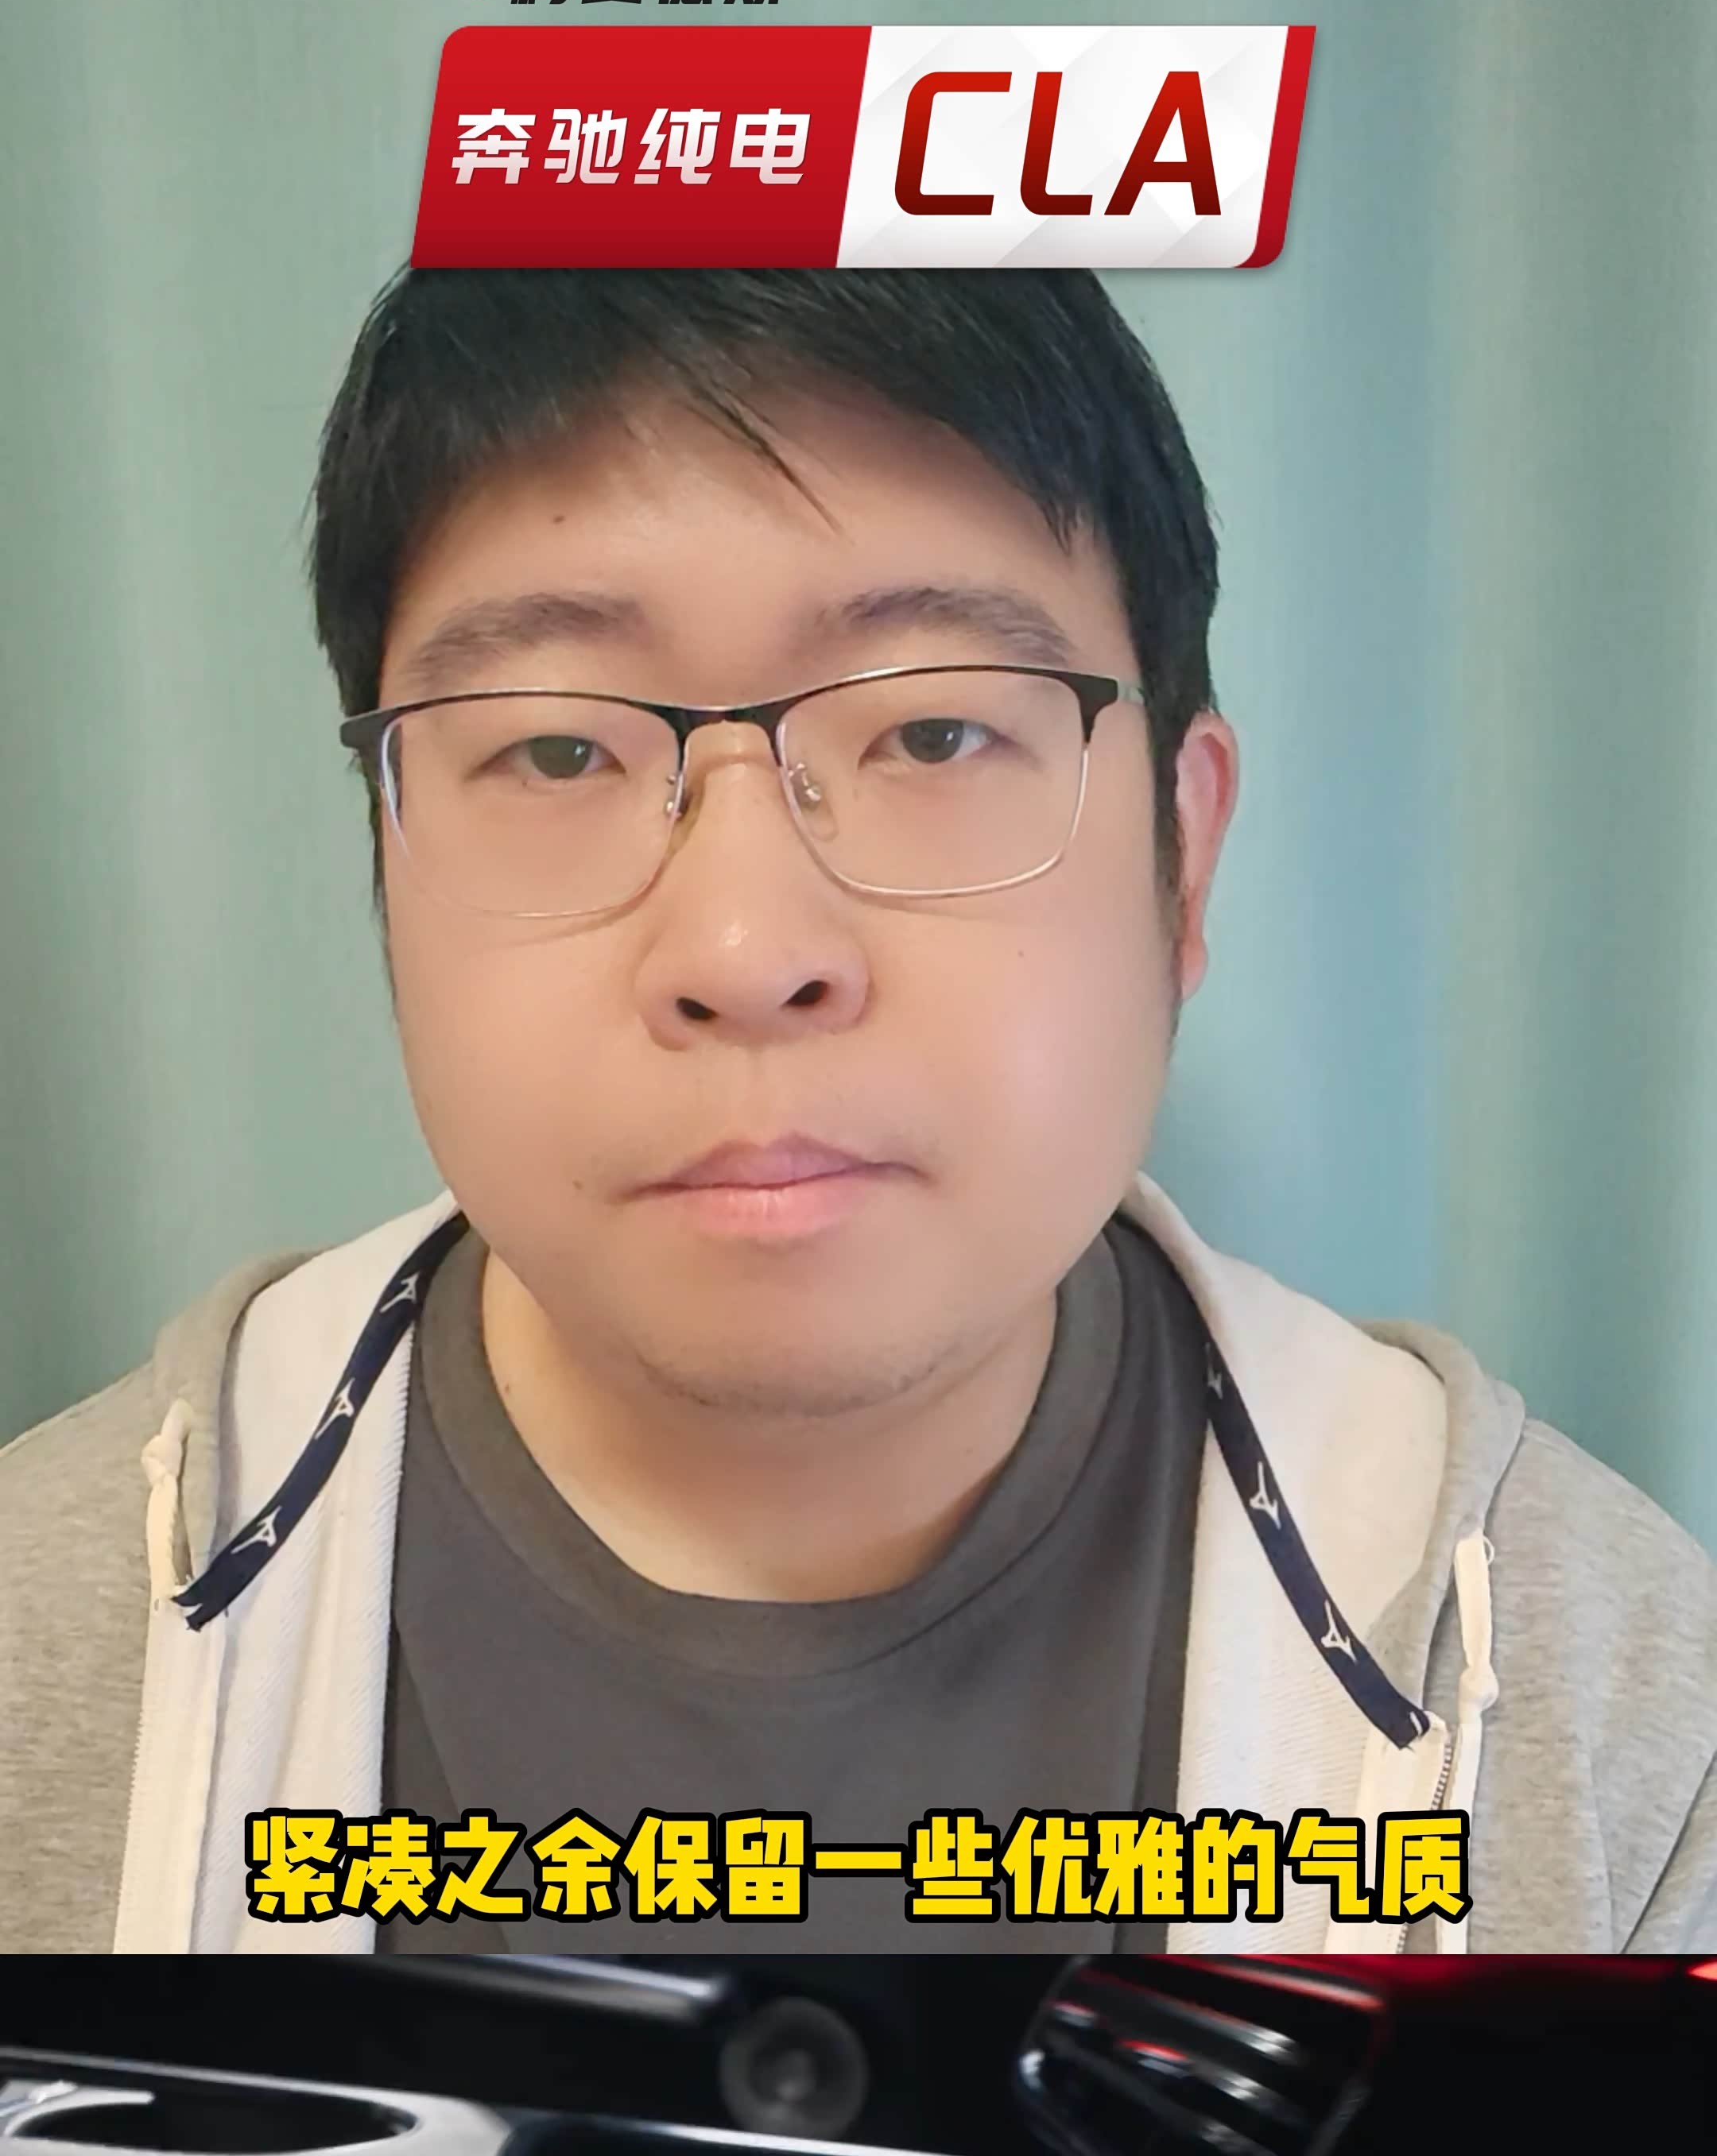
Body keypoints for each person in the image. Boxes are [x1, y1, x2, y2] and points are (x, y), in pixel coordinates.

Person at [2, 269, 1712, 1957]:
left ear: (1184, 856)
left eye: (936, 732)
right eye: (558, 752)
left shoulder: (1610, 1716)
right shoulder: (47, 1630)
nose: (746, 952)